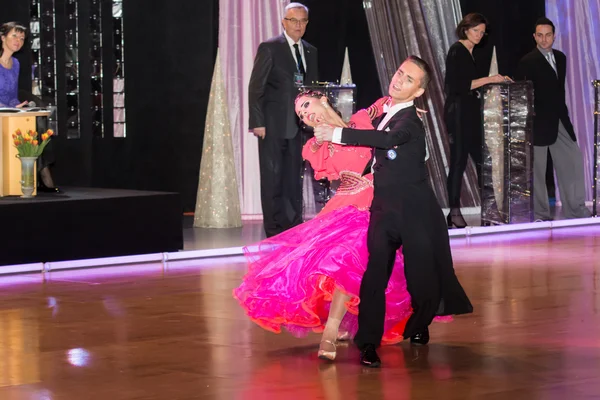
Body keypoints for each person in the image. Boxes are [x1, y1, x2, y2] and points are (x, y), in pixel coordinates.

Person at [234, 91, 449, 362]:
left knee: (400, 265)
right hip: (346, 206)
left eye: (307, 105)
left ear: (323, 99)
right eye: (301, 115)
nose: (305, 115)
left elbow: (387, 102)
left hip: (382, 199)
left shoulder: (361, 120)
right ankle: (330, 331)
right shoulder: (313, 146)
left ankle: (413, 319)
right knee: (345, 257)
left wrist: (408, 114)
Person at [315, 56, 473, 368]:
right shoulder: (387, 114)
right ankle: (368, 343)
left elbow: (387, 140)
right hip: (384, 208)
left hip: (415, 211)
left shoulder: (410, 122)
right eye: (400, 73)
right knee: (375, 275)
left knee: (422, 281)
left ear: (417, 92)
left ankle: (420, 324)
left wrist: (335, 135)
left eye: (409, 79)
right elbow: (367, 127)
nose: (399, 79)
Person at [248, 3, 318, 237]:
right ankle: (274, 229)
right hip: (273, 126)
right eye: (293, 20)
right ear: (284, 22)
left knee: (294, 180)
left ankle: (293, 227)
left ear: (307, 23)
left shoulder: (311, 51)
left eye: (303, 21)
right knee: (272, 179)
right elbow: (255, 87)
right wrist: (258, 122)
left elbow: (313, 91)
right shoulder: (270, 48)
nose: (298, 25)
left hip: (301, 127)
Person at [515, 18, 590, 221]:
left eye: (548, 35)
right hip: (537, 122)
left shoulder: (561, 57)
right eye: (540, 35)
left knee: (572, 161)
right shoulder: (527, 61)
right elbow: (525, 94)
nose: (544, 39)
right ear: (534, 37)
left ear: (554, 36)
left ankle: (576, 211)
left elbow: (558, 91)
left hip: (559, 119)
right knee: (537, 171)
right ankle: (540, 215)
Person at [444, 13, 511, 228]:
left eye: (482, 32)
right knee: (458, 162)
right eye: (476, 31)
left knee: (482, 160)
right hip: (459, 113)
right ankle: (454, 212)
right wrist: (491, 79)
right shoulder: (458, 50)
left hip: (469, 113)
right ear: (465, 29)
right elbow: (459, 86)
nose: (480, 35)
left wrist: (495, 82)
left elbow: (470, 85)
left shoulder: (468, 53)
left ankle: (490, 211)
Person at [0, 22, 60, 193]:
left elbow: (11, 95)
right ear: (2, 37)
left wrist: (16, 105)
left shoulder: (16, 63)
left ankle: (40, 170)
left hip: (7, 110)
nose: (18, 40)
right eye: (14, 36)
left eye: (21, 38)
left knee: (38, 120)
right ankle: (43, 173)